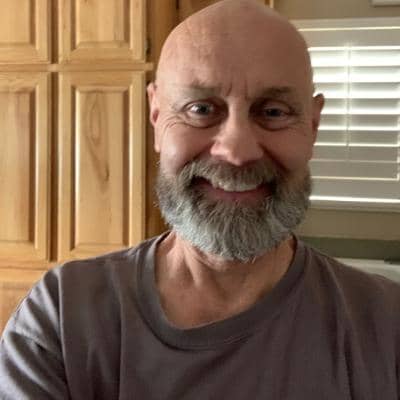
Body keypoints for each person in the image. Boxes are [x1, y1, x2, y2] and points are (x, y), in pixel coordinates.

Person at [1, 0, 399, 399]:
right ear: (157, 117)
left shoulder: (387, 323)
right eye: (201, 109)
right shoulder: (62, 318)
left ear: (312, 125)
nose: (237, 151)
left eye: (274, 112)